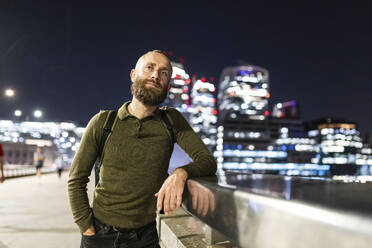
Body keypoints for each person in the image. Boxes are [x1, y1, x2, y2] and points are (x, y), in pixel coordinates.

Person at [68, 50, 217, 248]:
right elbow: (76, 179)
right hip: (100, 235)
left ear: (168, 85)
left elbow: (207, 161)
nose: (156, 75)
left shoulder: (171, 121)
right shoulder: (103, 123)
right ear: (133, 75)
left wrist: (181, 173)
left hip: (146, 238)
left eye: (164, 73)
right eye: (149, 68)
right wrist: (86, 228)